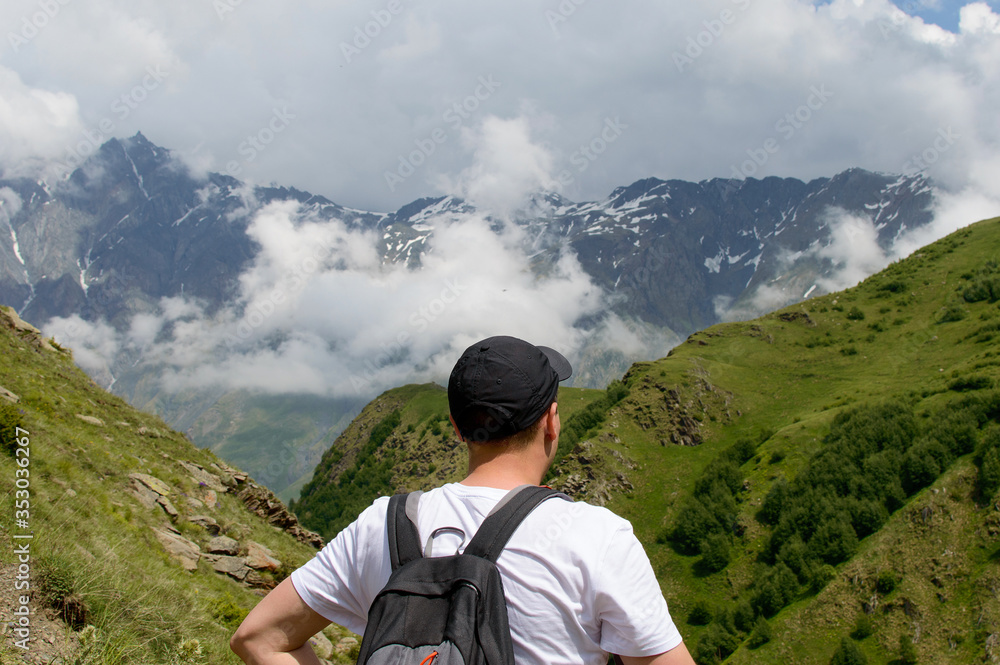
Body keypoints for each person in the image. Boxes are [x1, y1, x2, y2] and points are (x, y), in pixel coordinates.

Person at [231, 335, 695, 665]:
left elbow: (257, 639)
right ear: (552, 422)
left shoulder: (381, 523)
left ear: (456, 428)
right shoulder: (598, 537)